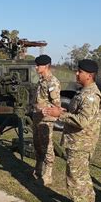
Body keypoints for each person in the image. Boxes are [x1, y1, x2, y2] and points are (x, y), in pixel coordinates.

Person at [43, 59, 101, 202]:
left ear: (89, 76)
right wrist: (65, 112)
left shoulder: (90, 95)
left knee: (74, 179)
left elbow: (83, 121)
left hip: (80, 144)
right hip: (79, 142)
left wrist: (59, 115)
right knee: (83, 176)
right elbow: (79, 115)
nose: (76, 74)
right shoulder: (85, 91)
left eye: (80, 72)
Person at [32, 54, 61, 186]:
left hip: (46, 119)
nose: (36, 67)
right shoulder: (41, 80)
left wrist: (45, 109)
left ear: (46, 66)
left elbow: (57, 105)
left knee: (47, 146)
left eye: (39, 65)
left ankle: (48, 173)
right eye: (36, 65)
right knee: (37, 144)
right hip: (37, 117)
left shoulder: (52, 82)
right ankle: (38, 168)